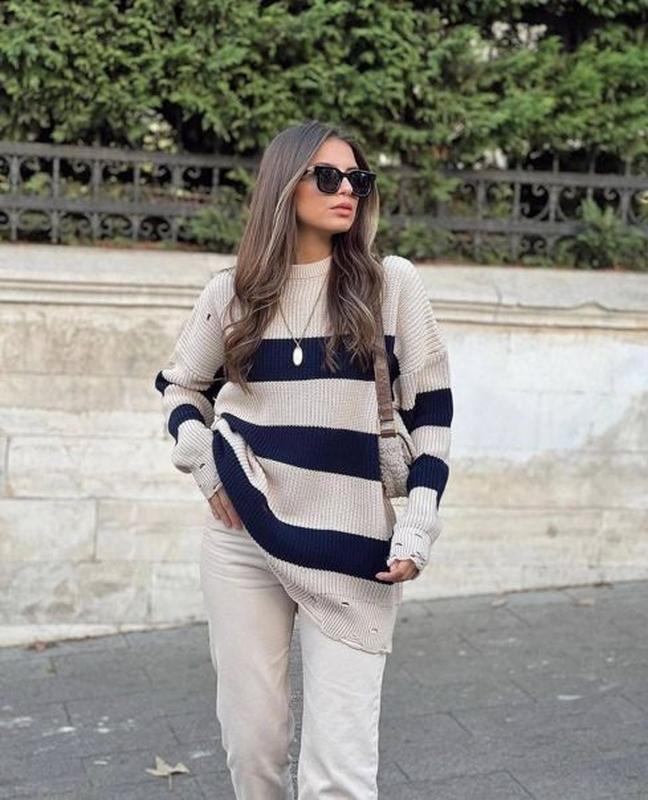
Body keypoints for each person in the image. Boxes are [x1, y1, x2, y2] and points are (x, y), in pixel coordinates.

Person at [154, 119, 454, 800]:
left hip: (353, 548)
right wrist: (202, 461)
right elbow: (180, 386)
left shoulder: (391, 286)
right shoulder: (232, 293)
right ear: (284, 185)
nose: (346, 190)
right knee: (253, 750)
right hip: (243, 538)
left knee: (338, 774)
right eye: (327, 176)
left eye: (357, 179)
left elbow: (433, 416)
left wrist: (418, 525)